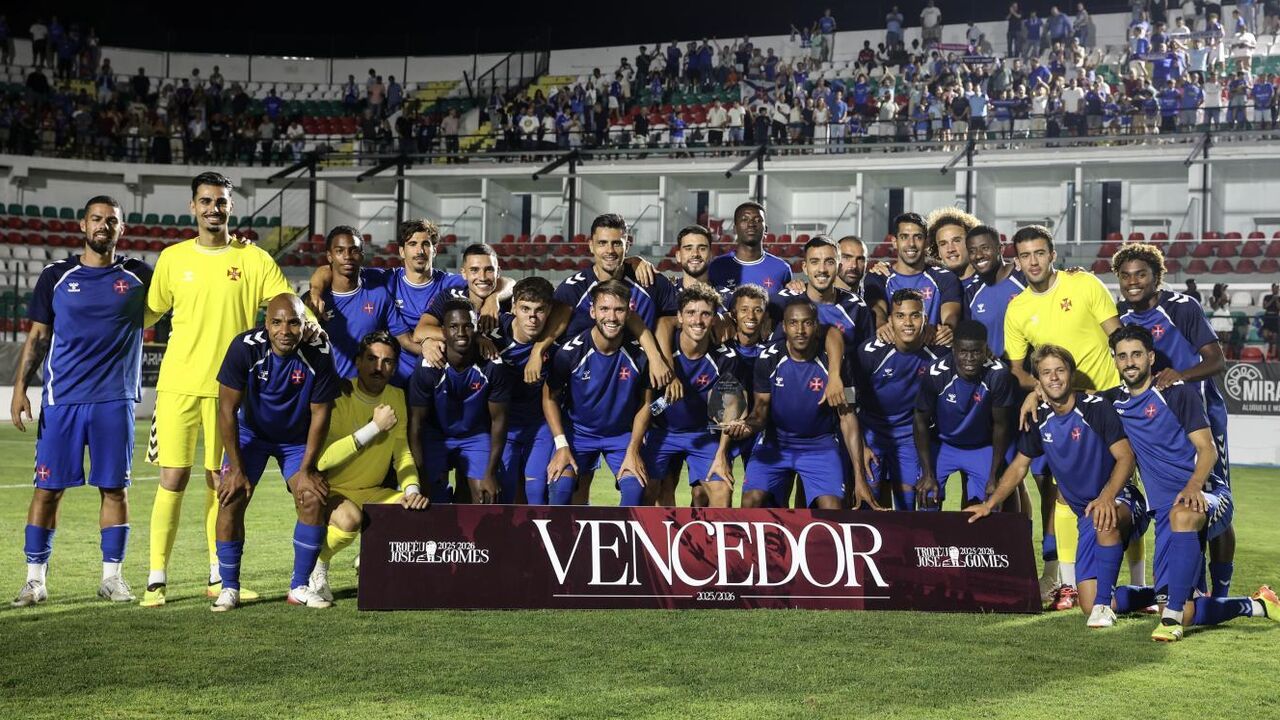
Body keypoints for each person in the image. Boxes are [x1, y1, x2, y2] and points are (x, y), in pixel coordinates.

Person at [142, 172, 304, 608]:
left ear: (231, 206)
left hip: (230, 392)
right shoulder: (172, 258)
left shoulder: (253, 259)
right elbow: (147, 313)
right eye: (206, 201)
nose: (214, 208)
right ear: (193, 206)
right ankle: (156, 579)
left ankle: (218, 576)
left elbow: (289, 307)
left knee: (221, 480)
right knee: (172, 478)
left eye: (221, 201)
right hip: (177, 386)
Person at [10, 196, 151, 607]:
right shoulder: (55, 275)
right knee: (47, 490)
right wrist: (20, 388)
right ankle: (34, 581)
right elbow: (38, 336)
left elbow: (188, 292)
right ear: (83, 225)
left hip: (115, 400)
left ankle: (112, 578)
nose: (104, 225)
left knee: (115, 489)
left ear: (121, 229)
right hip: (63, 400)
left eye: (112, 220)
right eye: (97, 219)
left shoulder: (140, 275)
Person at [1104, 325, 1278, 641]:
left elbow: (1208, 449)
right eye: (1123, 356)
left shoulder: (1177, 393)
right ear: (1114, 360)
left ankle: (1172, 619)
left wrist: (1193, 485)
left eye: (1137, 354)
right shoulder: (1114, 402)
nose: (1130, 362)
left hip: (1206, 493)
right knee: (1173, 605)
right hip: (1166, 514)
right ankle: (1258, 604)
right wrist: (1037, 393)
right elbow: (1074, 399)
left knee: (1182, 518)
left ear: (1150, 357)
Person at [969, 344, 1148, 628]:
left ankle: (1104, 607)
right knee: (1087, 604)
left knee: (1104, 522)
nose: (1054, 378)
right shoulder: (1039, 419)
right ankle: (1155, 595)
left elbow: (1126, 457)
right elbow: (1019, 466)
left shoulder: (1095, 408)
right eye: (1046, 373)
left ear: (1071, 374)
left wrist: (1106, 496)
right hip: (1087, 515)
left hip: (1121, 499)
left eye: (1060, 371)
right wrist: (990, 504)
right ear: (1038, 381)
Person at [1003, 224, 1125, 609]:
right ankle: (1069, 584)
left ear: (1052, 255)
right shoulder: (1018, 308)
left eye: (1039, 253)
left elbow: (1119, 338)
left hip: (1110, 400)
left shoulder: (1084, 284)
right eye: (1025, 255)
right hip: (1065, 408)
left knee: (1126, 491)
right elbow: (1017, 369)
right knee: (1065, 494)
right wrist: (1038, 389)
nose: (1033, 262)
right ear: (1017, 261)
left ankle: (1142, 583)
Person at [1113, 243, 1235, 596]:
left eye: (1141, 274)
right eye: (1125, 276)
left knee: (1212, 499)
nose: (1133, 282)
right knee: (1173, 500)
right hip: (1159, 420)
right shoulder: (1120, 314)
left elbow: (1216, 361)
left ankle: (1220, 592)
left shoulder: (1181, 307)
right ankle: (1187, 586)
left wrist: (1180, 375)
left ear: (1157, 276)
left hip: (1201, 413)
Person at [212, 294, 341, 611]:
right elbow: (226, 410)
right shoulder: (244, 347)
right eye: (277, 322)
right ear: (266, 323)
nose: (285, 330)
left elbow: (321, 415)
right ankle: (229, 588)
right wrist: (236, 469)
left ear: (304, 323)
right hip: (250, 435)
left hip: (295, 440)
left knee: (312, 497)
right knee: (230, 497)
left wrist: (307, 470)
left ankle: (299, 586)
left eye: (294, 322)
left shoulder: (320, 351)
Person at [307, 330, 426, 602]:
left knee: (414, 512)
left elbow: (402, 453)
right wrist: (373, 428)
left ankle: (371, 557)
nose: (378, 367)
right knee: (350, 520)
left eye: (387, 361)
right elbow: (323, 459)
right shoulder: (338, 395)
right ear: (358, 362)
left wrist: (411, 490)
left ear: (394, 367)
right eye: (372, 359)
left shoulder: (397, 397)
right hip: (332, 490)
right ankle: (318, 564)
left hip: (372, 491)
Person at [726, 297, 877, 510]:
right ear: (784, 327)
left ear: (816, 327)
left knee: (833, 508)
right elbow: (760, 412)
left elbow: (848, 417)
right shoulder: (768, 359)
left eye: (807, 323)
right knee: (751, 501)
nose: (800, 330)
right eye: (793, 323)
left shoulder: (839, 365)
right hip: (775, 442)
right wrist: (747, 427)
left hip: (820, 445)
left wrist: (859, 478)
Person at [544, 281, 654, 506]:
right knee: (560, 486)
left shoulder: (641, 356)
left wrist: (633, 449)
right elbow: (549, 398)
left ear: (629, 312)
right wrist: (561, 444)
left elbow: (646, 404)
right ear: (592, 311)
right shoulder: (569, 353)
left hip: (620, 436)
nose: (611, 317)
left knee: (635, 489)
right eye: (604, 309)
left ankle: (622, 532)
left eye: (619, 310)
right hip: (578, 434)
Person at [407, 299, 512, 505]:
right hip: (436, 435)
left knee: (486, 496)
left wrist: (490, 473)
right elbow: (416, 423)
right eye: (454, 327)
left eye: (468, 326)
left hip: (474, 435)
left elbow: (499, 421)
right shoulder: (428, 366)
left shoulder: (492, 365)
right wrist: (420, 475)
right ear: (443, 331)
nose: (461, 333)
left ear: (476, 329)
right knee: (428, 499)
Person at [645, 284, 737, 508]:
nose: (698, 320)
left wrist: (722, 454)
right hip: (662, 432)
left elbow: (729, 410)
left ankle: (711, 533)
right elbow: (647, 404)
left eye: (705, 314)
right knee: (647, 488)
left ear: (714, 318)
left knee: (722, 490)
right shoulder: (661, 350)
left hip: (703, 433)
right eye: (691, 313)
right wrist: (663, 403)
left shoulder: (725, 358)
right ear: (679, 317)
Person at [855, 290, 949, 510]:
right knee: (869, 501)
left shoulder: (940, 354)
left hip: (911, 436)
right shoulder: (869, 353)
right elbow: (850, 403)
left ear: (925, 319)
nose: (907, 323)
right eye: (900, 316)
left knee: (912, 499)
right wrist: (861, 445)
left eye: (915, 315)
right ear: (890, 320)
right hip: (872, 433)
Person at [913, 321, 1015, 510]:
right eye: (963, 352)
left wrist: (994, 476)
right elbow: (920, 420)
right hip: (943, 444)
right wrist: (927, 473)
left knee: (990, 502)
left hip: (980, 447)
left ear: (985, 350)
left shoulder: (999, 374)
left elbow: (1001, 426)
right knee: (927, 496)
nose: (969, 359)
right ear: (953, 350)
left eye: (976, 352)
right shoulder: (936, 373)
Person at [488, 278, 561, 504]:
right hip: (504, 426)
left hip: (539, 426)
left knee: (537, 491)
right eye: (525, 309)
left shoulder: (557, 342)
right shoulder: (492, 333)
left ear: (549, 311)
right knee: (505, 491)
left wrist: (538, 352)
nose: (532, 317)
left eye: (539, 310)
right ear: (513, 308)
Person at [309, 225, 393, 379]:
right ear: (329, 256)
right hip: (325, 388)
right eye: (339, 251)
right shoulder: (313, 301)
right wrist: (315, 290)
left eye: (353, 250)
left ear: (362, 255)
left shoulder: (380, 291)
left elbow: (399, 340)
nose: (347, 256)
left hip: (368, 387)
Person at [863, 212, 962, 331]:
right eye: (904, 237)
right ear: (894, 242)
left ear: (926, 242)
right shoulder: (879, 276)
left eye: (918, 237)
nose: (911, 244)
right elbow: (878, 309)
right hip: (890, 342)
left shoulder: (945, 278)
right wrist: (881, 325)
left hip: (933, 341)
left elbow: (951, 314)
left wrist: (947, 328)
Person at [706, 202, 793, 297]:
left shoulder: (782, 268)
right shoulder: (716, 266)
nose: (751, 224)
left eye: (758, 220)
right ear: (735, 229)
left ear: (766, 229)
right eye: (744, 219)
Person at [926, 207, 980, 281]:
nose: (950, 249)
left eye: (956, 241)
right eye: (943, 244)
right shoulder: (934, 285)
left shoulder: (990, 283)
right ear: (938, 252)